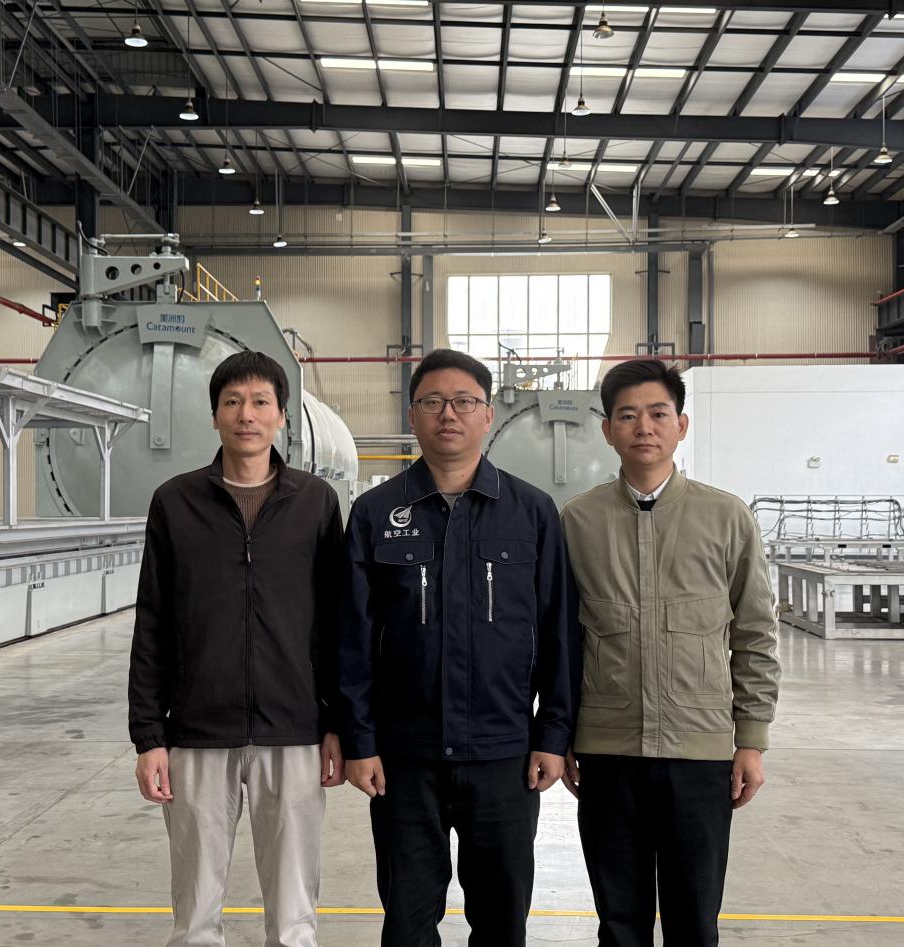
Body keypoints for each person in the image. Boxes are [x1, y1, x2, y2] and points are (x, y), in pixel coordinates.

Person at [337, 348, 576, 947]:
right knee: (408, 921)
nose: (449, 414)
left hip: (504, 755)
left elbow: (558, 632)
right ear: (412, 415)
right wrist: (361, 741)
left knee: (501, 921)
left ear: (488, 415)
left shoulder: (532, 512)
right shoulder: (374, 513)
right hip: (404, 759)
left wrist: (553, 735)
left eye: (464, 401)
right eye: (433, 402)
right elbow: (352, 638)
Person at [560, 358, 781, 947]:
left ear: (681, 425)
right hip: (608, 752)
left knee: (694, 921)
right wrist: (562, 734)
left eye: (658, 414)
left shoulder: (726, 517)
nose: (644, 428)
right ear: (607, 430)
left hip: (699, 753)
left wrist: (751, 740)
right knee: (619, 924)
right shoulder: (578, 521)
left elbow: (755, 634)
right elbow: (560, 640)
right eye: (627, 415)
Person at [128, 351, 346, 947]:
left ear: (281, 416)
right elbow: (153, 623)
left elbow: (336, 624)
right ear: (215, 415)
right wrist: (149, 736)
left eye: (259, 402)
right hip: (197, 732)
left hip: (294, 731)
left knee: (295, 915)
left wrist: (337, 724)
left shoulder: (316, 502)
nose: (246, 414)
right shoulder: (175, 502)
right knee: (195, 913)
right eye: (232, 402)